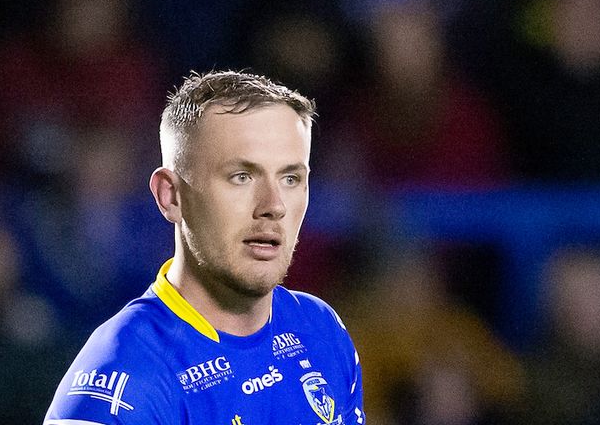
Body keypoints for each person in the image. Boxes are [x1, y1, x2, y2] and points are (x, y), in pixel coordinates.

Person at [42, 71, 365, 424]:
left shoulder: (320, 329)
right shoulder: (124, 382)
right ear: (171, 196)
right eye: (241, 176)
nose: (274, 205)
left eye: (291, 179)